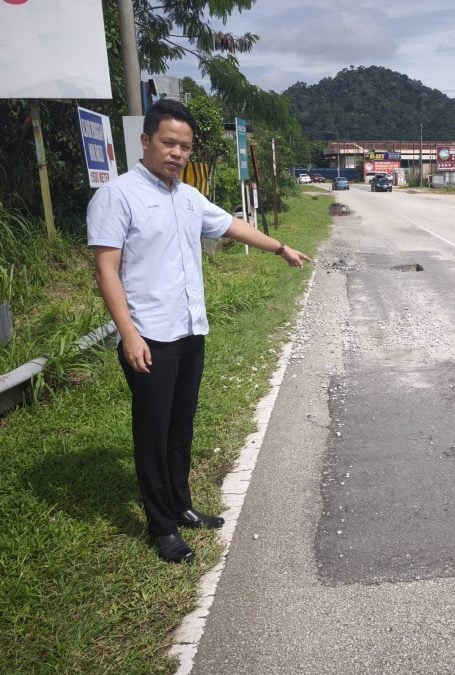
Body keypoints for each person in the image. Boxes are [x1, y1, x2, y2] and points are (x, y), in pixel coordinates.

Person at [87, 99, 310, 563]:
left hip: (190, 330)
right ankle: (162, 527)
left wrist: (280, 247)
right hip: (150, 335)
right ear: (146, 141)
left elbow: (232, 226)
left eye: (185, 147)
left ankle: (181, 505)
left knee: (180, 425)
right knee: (152, 433)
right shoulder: (117, 196)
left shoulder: (188, 197)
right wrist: (128, 334)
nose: (177, 153)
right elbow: (106, 270)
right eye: (168, 143)